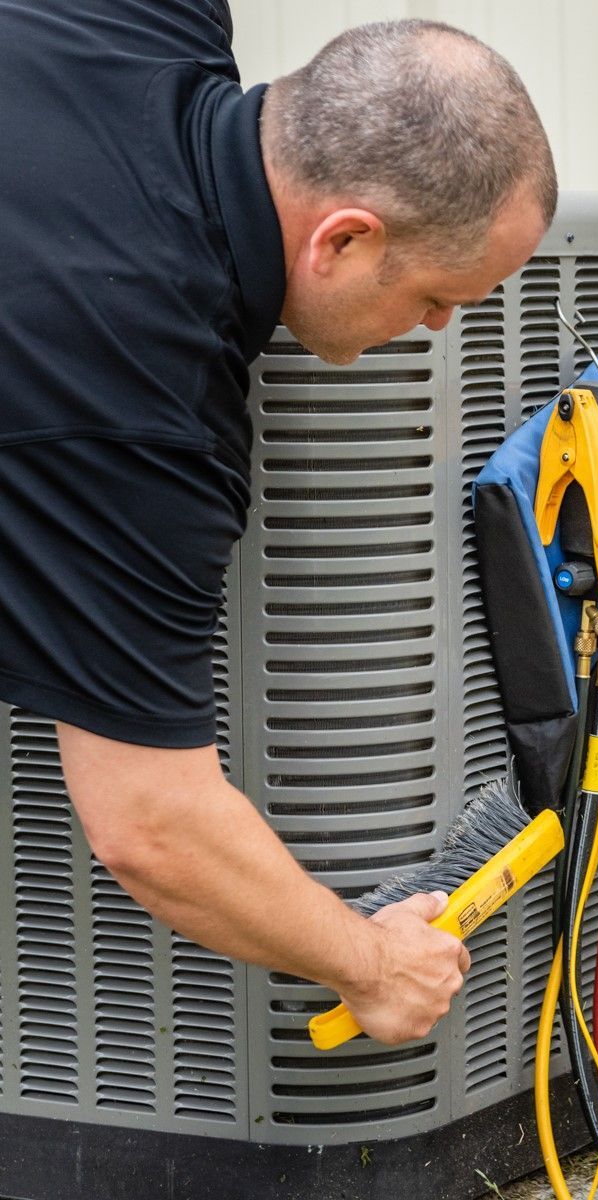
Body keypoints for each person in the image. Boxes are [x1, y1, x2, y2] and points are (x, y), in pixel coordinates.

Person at [0, 1, 556, 1046]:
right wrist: (371, 962)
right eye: (440, 298)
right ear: (343, 238)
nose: (438, 331)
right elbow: (152, 823)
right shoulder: (140, 412)